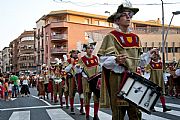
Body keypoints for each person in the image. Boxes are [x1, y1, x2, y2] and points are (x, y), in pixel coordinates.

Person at [97, 4, 159, 120]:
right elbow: (103, 60)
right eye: (124, 15)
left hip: (133, 77)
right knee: (119, 113)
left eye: (130, 15)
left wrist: (150, 54)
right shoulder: (111, 37)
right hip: (118, 77)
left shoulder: (135, 38)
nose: (128, 17)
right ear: (117, 20)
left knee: (135, 111)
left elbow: (139, 62)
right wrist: (116, 60)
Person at [77, 42, 101, 120]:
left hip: (96, 79)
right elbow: (79, 70)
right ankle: (87, 115)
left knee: (97, 97)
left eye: (91, 48)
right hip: (87, 80)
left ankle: (96, 115)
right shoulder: (82, 59)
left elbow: (99, 67)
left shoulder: (95, 58)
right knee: (87, 97)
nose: (90, 50)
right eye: (88, 48)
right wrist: (85, 75)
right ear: (85, 50)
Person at [64, 50, 84, 114]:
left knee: (81, 93)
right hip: (72, 78)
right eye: (74, 53)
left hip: (79, 78)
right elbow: (66, 70)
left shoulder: (80, 60)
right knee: (71, 93)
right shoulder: (68, 61)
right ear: (71, 54)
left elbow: (83, 68)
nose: (75, 54)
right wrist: (71, 64)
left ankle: (81, 108)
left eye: (76, 53)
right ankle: (72, 108)